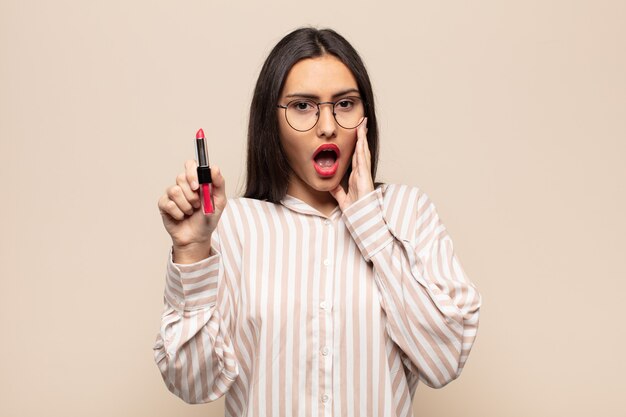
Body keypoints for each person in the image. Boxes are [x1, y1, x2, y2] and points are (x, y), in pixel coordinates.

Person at [153, 27, 482, 417]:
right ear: (270, 120)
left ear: (365, 116)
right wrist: (192, 252)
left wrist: (371, 228)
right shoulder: (233, 226)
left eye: (344, 104)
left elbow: (443, 360)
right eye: (303, 106)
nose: (327, 125)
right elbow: (193, 383)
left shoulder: (408, 212)